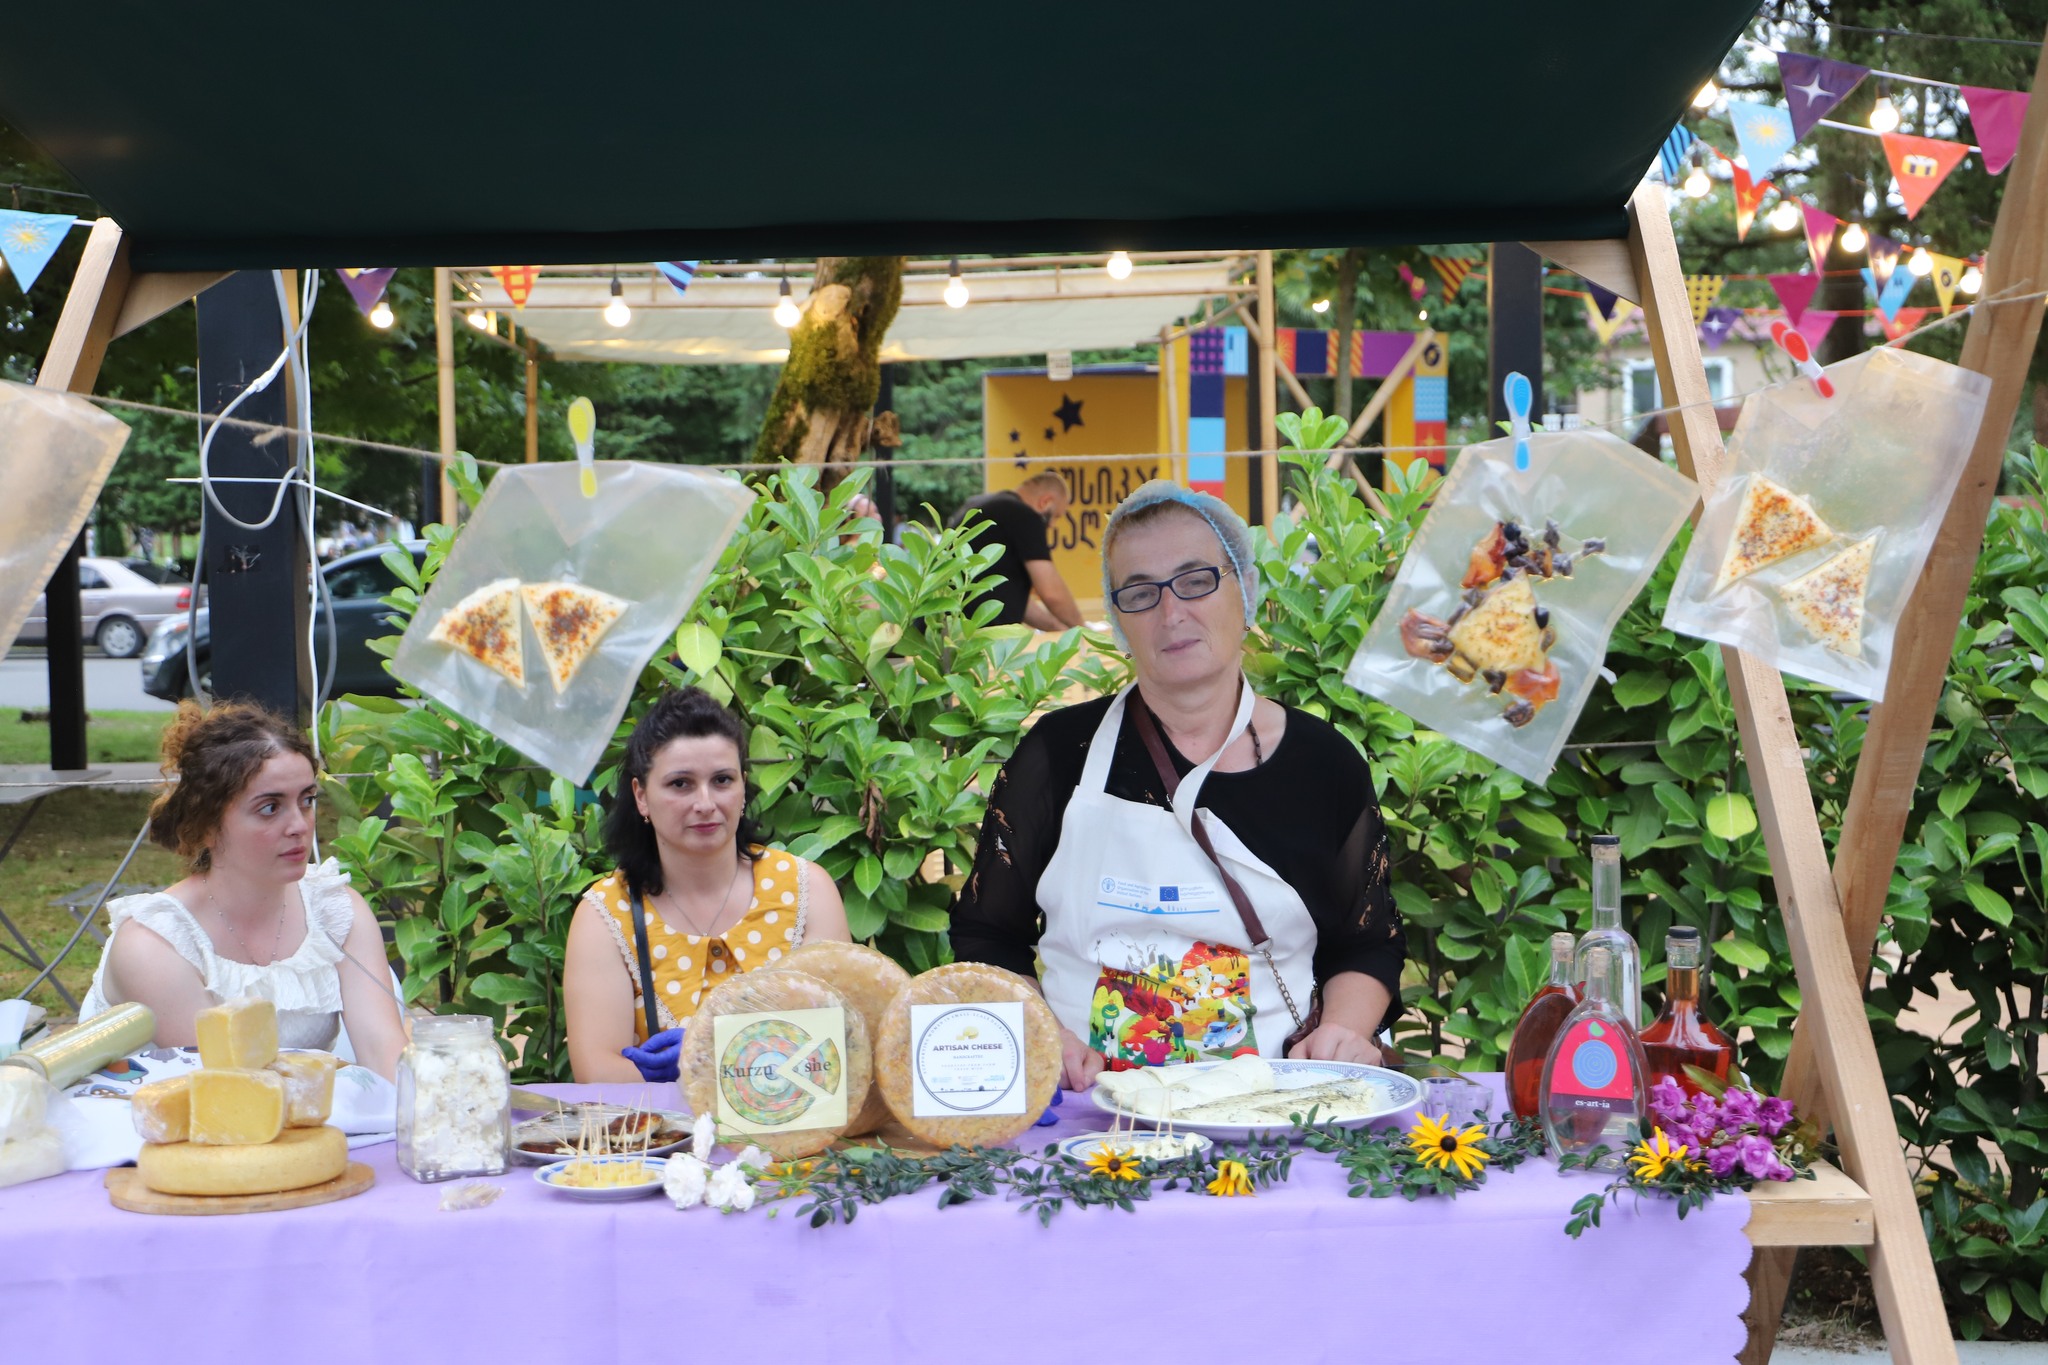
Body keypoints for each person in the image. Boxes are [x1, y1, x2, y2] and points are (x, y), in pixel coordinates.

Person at [949, 482, 1405, 1089]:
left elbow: (1368, 943)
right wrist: (1038, 1032)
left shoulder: (1324, 765)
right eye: (1140, 593)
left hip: (1276, 1105)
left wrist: (1345, 1030)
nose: (1171, 613)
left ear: (1245, 589)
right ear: (1118, 620)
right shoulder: (1057, 754)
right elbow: (986, 934)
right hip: (1088, 1110)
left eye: (1196, 580)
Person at [80, 702, 406, 1079]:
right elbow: (231, 1087)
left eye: (307, 800)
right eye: (270, 808)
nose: (300, 825)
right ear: (207, 826)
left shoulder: (333, 908)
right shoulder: (155, 943)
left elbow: (385, 1056)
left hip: (298, 1109)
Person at [563, 687, 852, 1083]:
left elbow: (844, 1045)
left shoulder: (808, 891)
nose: (705, 803)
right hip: (661, 1125)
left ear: (743, 787)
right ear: (641, 796)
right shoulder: (605, 916)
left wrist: (708, 1060)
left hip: (799, 1124)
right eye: (680, 784)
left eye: (722, 780)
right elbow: (597, 1073)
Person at [947, 471, 1085, 630]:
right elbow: (1052, 593)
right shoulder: (1023, 514)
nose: (1052, 525)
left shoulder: (983, 506)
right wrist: (1083, 630)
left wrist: (1057, 627)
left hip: (946, 624)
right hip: (974, 633)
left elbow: (1013, 600)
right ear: (1045, 502)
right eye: (1056, 516)